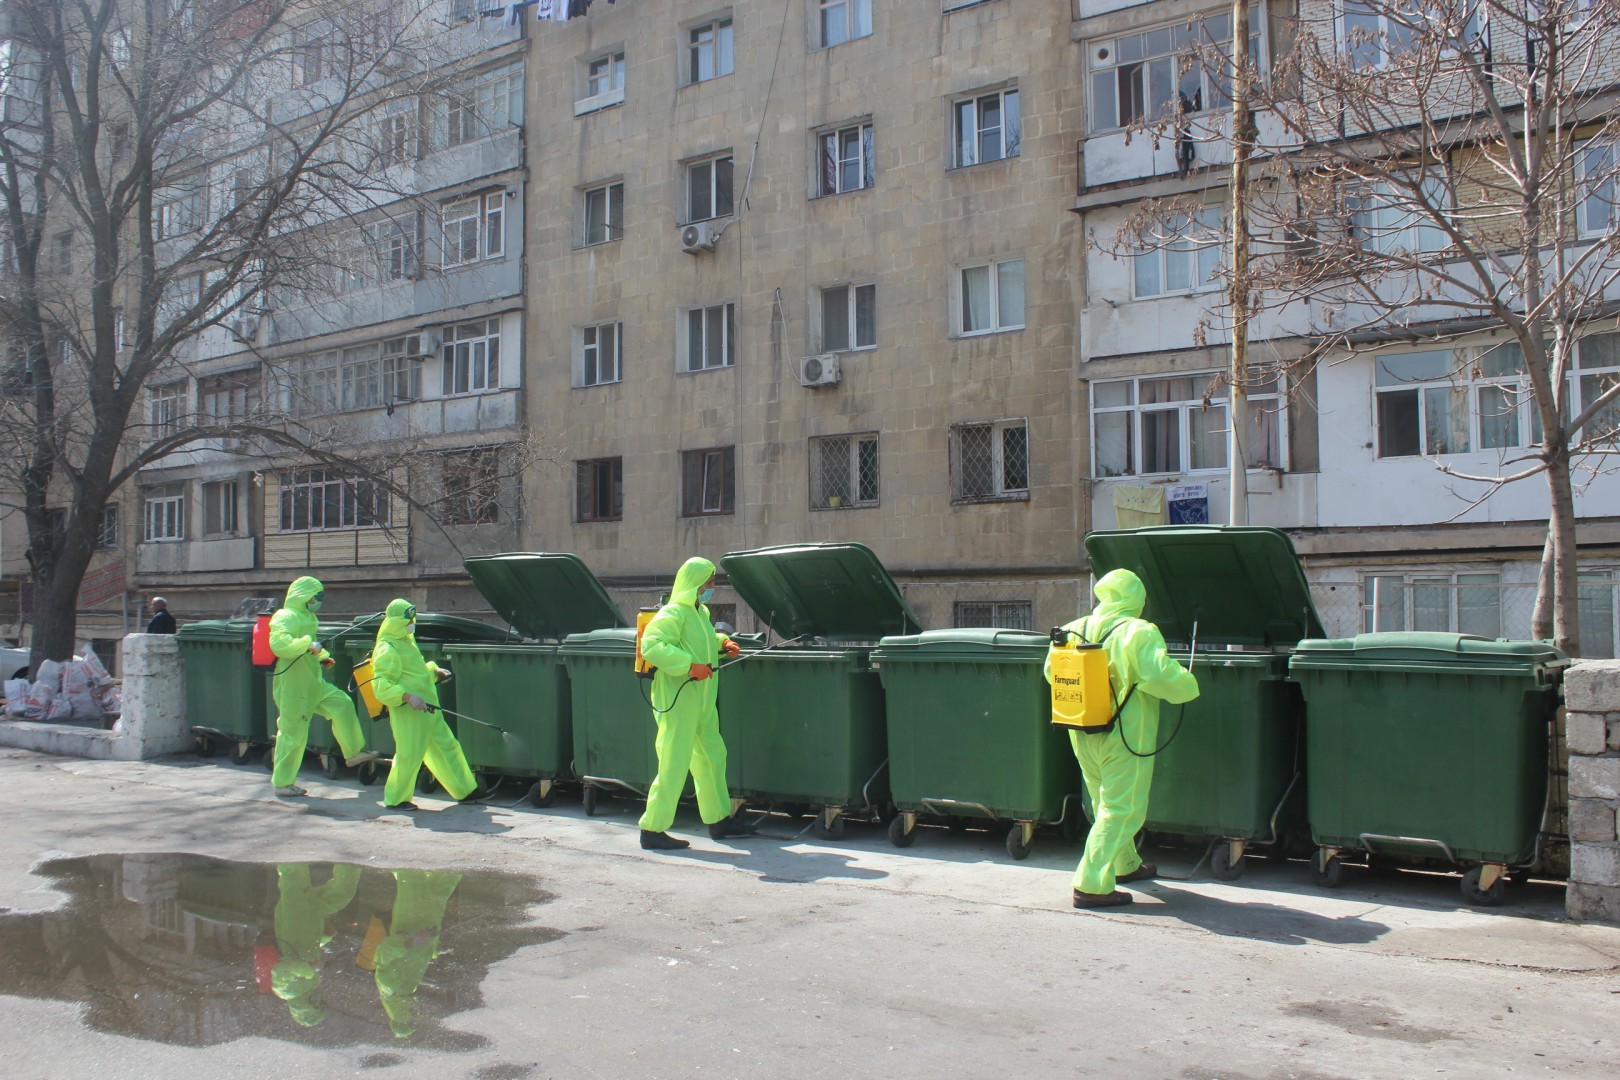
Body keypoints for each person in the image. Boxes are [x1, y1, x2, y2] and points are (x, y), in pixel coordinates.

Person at [1045, 568, 1199, 909]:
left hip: (1082, 728)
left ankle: (1125, 863)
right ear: (1137, 599)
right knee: (1123, 807)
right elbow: (1158, 675)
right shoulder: (1139, 632)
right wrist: (1188, 683)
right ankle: (1091, 884)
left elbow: (1050, 671)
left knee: (1105, 801)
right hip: (1125, 732)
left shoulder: (1073, 627)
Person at [636, 556, 753, 850]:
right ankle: (652, 829)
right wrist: (689, 666)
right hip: (679, 697)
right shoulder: (674, 612)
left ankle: (719, 820)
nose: (712, 587)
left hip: (701, 699)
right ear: (695, 583)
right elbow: (652, 646)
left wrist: (723, 643)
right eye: (709, 582)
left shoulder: (698, 613)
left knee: (712, 756)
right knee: (674, 762)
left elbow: (701, 640)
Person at [268, 576, 378, 797]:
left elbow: (312, 647)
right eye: (317, 597)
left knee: (342, 704)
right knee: (293, 734)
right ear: (304, 596)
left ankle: (353, 752)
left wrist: (322, 657)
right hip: (293, 686)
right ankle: (282, 783)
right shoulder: (286, 616)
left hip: (313, 682)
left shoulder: (309, 617)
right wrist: (306, 644)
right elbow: (279, 644)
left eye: (320, 597)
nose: (319, 601)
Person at [370, 598, 479, 811]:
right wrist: (407, 697)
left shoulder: (406, 641)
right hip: (409, 712)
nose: (412, 622)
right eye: (408, 619)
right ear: (396, 621)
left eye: (412, 618)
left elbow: (415, 672)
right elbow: (381, 686)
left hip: (428, 707)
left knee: (447, 746)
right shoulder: (387, 647)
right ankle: (396, 798)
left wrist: (434, 671)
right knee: (409, 754)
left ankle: (466, 791)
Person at [372, 868, 463, 1039]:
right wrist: (432, 949)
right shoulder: (407, 989)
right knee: (444, 882)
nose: (416, 1016)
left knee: (411, 877)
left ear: (401, 1018)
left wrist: (410, 942)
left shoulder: (390, 987)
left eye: (411, 1021)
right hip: (428, 923)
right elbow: (415, 959)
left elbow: (385, 950)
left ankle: (404, 847)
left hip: (411, 920)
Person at [269, 862, 361, 1028]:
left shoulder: (285, 990)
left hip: (295, 917)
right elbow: (309, 946)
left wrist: (307, 969)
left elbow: (282, 968)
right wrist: (325, 936)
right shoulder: (309, 983)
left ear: (306, 1007)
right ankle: (350, 860)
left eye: (317, 1005)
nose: (319, 1000)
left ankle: (290, 848)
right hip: (312, 919)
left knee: (294, 877)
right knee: (341, 895)